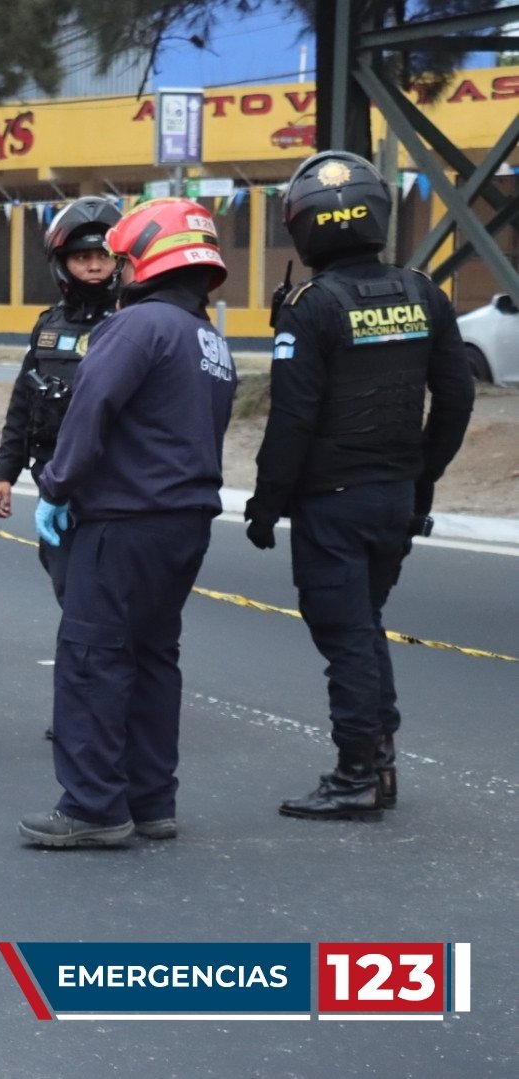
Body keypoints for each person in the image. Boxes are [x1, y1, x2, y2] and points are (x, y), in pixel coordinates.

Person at [245, 151, 474, 823]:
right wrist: (422, 475)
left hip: (333, 503)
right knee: (364, 626)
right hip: (395, 496)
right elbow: (456, 400)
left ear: (303, 225)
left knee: (344, 635)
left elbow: (291, 419)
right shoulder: (423, 292)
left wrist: (265, 506)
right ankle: (380, 760)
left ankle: (356, 775)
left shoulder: (311, 308)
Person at [18, 198, 237, 847]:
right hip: (185, 520)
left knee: (93, 656)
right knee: (152, 657)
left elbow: (90, 412)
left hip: (124, 518)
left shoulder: (137, 327)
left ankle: (93, 806)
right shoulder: (209, 339)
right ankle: (150, 799)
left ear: (143, 257)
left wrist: (55, 486)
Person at [0, 196, 123, 603]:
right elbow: (23, 403)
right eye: (82, 257)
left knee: (109, 597)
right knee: (68, 588)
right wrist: (3, 473)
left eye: (104, 255)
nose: (95, 266)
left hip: (115, 487)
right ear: (63, 262)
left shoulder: (134, 321)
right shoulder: (48, 326)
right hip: (53, 482)